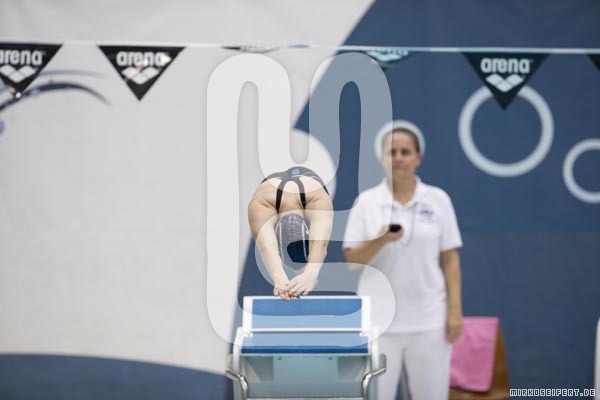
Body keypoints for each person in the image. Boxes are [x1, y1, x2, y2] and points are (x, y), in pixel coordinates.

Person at [343, 121, 463, 399]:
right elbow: (352, 260)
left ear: (418, 158)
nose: (398, 158)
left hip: (429, 321)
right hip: (379, 322)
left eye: (405, 152)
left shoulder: (438, 200)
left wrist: (454, 310)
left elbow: (450, 258)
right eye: (392, 152)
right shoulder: (366, 202)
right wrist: (381, 239)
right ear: (381, 158)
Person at [248, 166, 333, 300]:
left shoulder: (263, 201)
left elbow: (267, 246)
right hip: (305, 185)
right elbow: (319, 242)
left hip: (272, 189)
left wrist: (280, 278)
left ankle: (303, 271)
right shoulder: (316, 197)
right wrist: (311, 273)